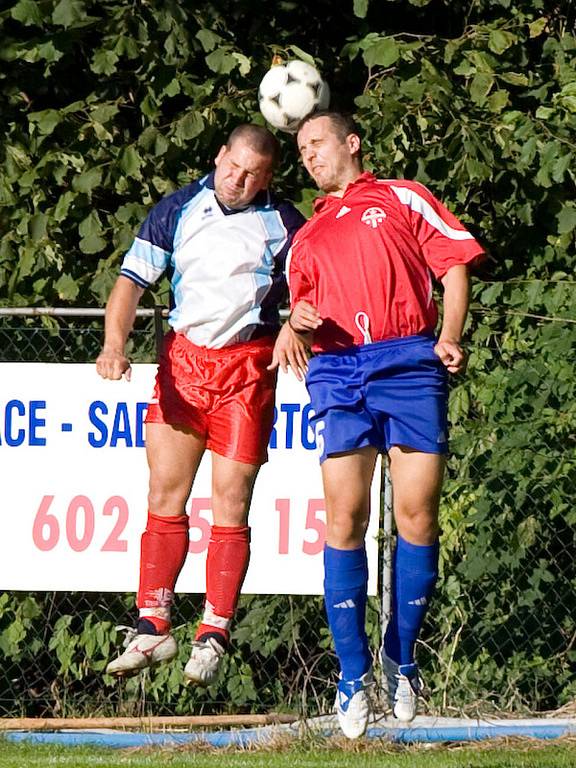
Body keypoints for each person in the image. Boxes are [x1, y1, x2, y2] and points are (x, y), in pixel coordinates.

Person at [270, 111, 485, 738]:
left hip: (408, 360)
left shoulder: (402, 196)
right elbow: (299, 308)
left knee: (417, 513)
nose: (309, 155)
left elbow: (453, 265)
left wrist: (448, 336)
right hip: (338, 370)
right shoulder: (306, 234)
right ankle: (352, 674)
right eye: (302, 149)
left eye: (318, 144)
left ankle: (402, 658)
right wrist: (293, 323)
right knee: (344, 518)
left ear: (352, 142)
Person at [97, 124, 305, 685]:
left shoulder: (284, 223)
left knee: (230, 504)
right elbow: (130, 283)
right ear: (219, 156)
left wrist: (295, 327)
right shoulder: (178, 208)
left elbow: (313, 290)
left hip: (246, 371)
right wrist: (114, 346)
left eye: (253, 175)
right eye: (232, 167)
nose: (238, 180)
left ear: (268, 178)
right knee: (165, 494)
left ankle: (213, 632)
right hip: (184, 366)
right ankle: (151, 626)